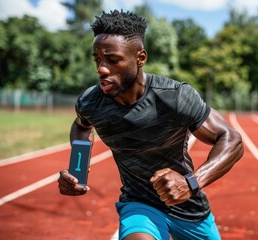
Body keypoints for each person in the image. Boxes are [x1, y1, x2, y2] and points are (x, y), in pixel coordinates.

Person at [58, 9, 244, 240]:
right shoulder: (91, 102)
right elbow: (82, 125)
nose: (102, 69)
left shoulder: (174, 97)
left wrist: (191, 183)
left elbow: (231, 139)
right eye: (98, 60)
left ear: (140, 58)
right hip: (138, 204)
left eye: (113, 60)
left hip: (190, 208)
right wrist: (78, 165)